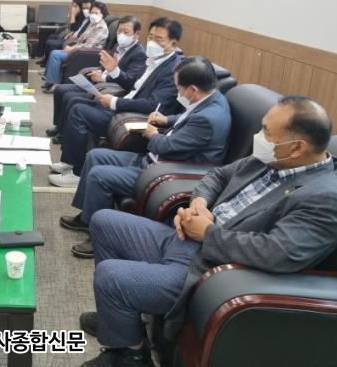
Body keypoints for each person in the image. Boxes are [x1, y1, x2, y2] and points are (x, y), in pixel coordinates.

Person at [80, 96, 337, 367]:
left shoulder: (327, 198)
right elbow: (218, 176)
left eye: (267, 132)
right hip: (188, 239)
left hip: (210, 268)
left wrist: (207, 233)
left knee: (111, 277)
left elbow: (277, 252)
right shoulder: (276, 158)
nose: (259, 137)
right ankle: (120, 321)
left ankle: (131, 357)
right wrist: (198, 203)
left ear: (297, 148)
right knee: (104, 222)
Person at [59, 57, 232, 258]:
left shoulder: (208, 119)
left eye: (178, 87)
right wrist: (167, 119)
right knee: (95, 156)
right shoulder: (212, 97)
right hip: (156, 160)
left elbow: (168, 147)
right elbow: (187, 118)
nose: (177, 92)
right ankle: (87, 218)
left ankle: (97, 237)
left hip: (165, 170)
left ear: (193, 90)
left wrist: (152, 135)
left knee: (99, 175)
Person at [50, 18, 183, 187]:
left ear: (173, 43)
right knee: (76, 103)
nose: (152, 42)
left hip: (135, 118)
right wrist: (114, 71)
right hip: (125, 107)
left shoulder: (172, 70)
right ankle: (69, 162)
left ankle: (76, 174)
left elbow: (152, 104)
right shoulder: (153, 60)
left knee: (79, 112)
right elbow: (133, 85)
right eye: (150, 37)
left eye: (159, 39)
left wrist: (114, 102)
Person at [46, 16, 147, 143]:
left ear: (137, 34)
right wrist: (98, 71)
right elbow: (106, 65)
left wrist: (103, 77)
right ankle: (60, 127)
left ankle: (63, 133)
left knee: (70, 97)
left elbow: (129, 80)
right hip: (98, 82)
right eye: (119, 31)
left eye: (126, 32)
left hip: (110, 89)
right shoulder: (119, 46)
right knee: (60, 90)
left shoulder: (139, 54)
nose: (121, 35)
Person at [42, 1, 110, 92]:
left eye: (96, 13)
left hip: (87, 54)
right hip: (79, 50)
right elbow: (81, 39)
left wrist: (72, 49)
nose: (93, 15)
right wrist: (71, 46)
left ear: (102, 14)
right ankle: (50, 81)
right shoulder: (92, 23)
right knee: (54, 52)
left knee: (55, 55)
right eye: (92, 12)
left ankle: (54, 84)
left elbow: (88, 46)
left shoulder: (101, 27)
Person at [39, 0, 94, 67]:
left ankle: (47, 63)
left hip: (75, 40)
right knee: (51, 37)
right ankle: (46, 60)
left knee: (51, 43)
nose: (73, 8)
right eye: (84, 8)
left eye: (75, 6)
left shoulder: (84, 17)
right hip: (72, 36)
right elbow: (76, 29)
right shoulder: (85, 18)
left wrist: (73, 15)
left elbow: (73, 28)